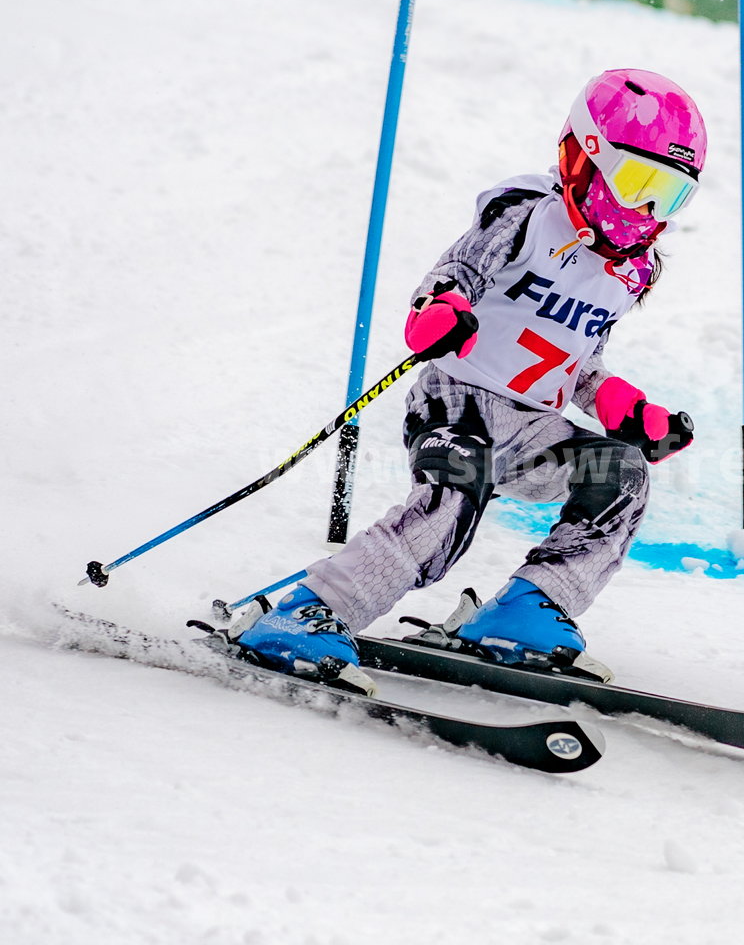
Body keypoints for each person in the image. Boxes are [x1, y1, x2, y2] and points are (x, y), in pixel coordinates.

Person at [234, 68, 706, 688]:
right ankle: (310, 613)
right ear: (583, 156)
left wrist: (623, 406)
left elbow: (576, 356)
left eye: (668, 196)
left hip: (536, 429)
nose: (646, 211)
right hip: (457, 405)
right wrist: (442, 311)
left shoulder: (630, 271)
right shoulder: (527, 218)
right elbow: (453, 276)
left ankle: (527, 611)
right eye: (638, 181)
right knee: (454, 497)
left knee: (621, 475)